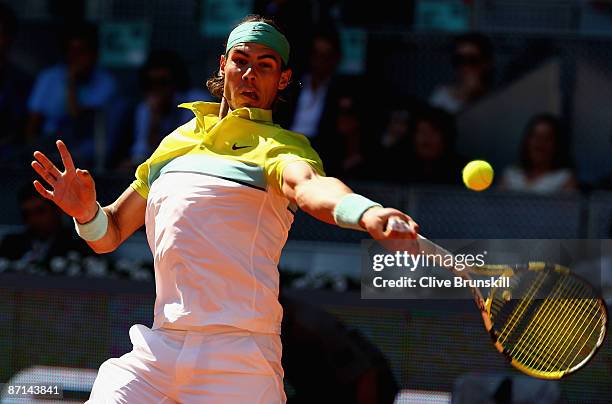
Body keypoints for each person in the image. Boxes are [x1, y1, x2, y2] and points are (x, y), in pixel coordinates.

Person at [30, 15, 418, 403]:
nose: (250, 73)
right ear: (223, 65)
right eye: (241, 60)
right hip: (160, 346)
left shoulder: (282, 147)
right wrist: (85, 212)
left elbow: (311, 187)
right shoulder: (177, 140)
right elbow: (109, 233)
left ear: (282, 79)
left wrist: (365, 213)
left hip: (239, 359)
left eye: (265, 65)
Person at [26, 21, 116, 165]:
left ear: (94, 53)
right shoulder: (49, 78)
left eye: (82, 52)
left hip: (85, 154)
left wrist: (71, 82)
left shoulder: (106, 83)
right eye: (72, 52)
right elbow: (33, 122)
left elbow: (76, 116)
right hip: (49, 148)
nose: (76, 58)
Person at [0, 182, 91, 272]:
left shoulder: (77, 246)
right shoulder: (10, 245)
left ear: (57, 210)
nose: (33, 219)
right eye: (27, 214)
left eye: (40, 211)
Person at [499, 114, 578, 194]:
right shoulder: (510, 175)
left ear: (557, 144)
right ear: (527, 141)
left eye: (547, 138)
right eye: (535, 137)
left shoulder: (565, 178)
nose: (539, 144)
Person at [429, 32, 494, 114]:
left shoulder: (497, 98)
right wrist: (465, 96)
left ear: (486, 63)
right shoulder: (441, 96)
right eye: (459, 60)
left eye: (472, 60)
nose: (465, 66)